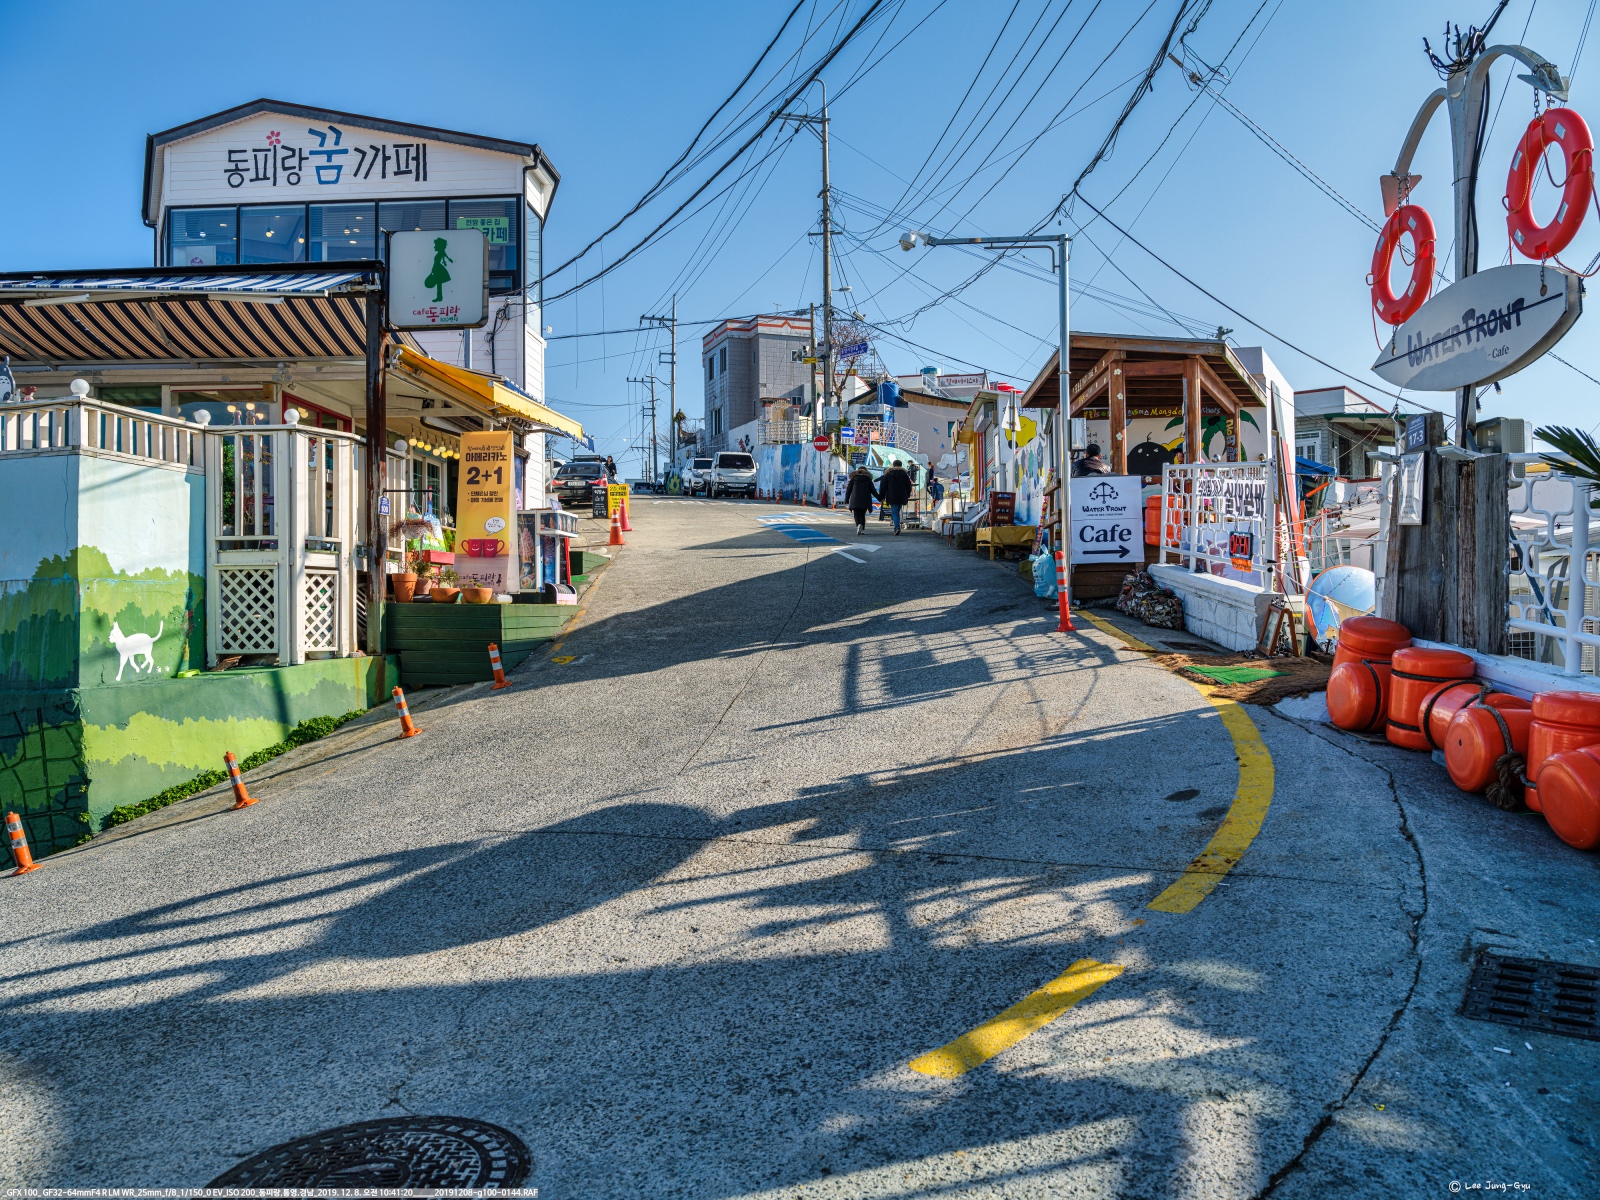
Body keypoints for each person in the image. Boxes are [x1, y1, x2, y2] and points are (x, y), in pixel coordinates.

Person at [878, 458, 913, 535]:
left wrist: (881, 497)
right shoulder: (904, 474)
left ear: (893, 465)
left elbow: (883, 486)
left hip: (892, 495)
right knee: (897, 511)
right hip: (901, 495)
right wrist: (907, 495)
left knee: (894, 512)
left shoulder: (888, 474)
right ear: (901, 465)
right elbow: (908, 486)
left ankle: (897, 527)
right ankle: (896, 527)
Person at [844, 466, 878, 535]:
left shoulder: (853, 479)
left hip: (855, 499)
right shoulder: (868, 480)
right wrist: (880, 498)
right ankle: (862, 529)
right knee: (862, 514)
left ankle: (858, 525)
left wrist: (846, 499)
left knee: (856, 514)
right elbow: (873, 491)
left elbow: (848, 490)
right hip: (865, 499)